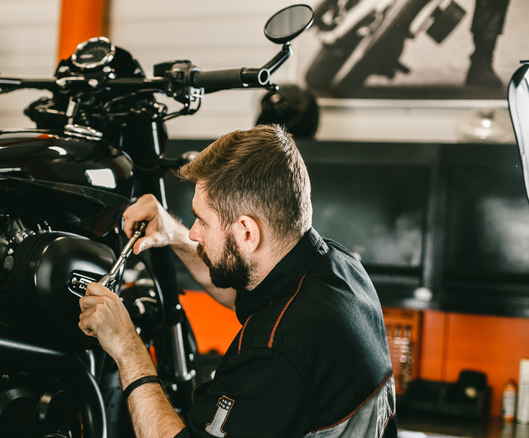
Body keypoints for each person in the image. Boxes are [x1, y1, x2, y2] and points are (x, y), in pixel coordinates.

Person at [78, 124, 397, 437]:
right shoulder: (337, 267)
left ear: (247, 231)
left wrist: (127, 347)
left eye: (202, 221)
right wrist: (173, 234)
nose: (194, 232)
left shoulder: (276, 354)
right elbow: (237, 289)